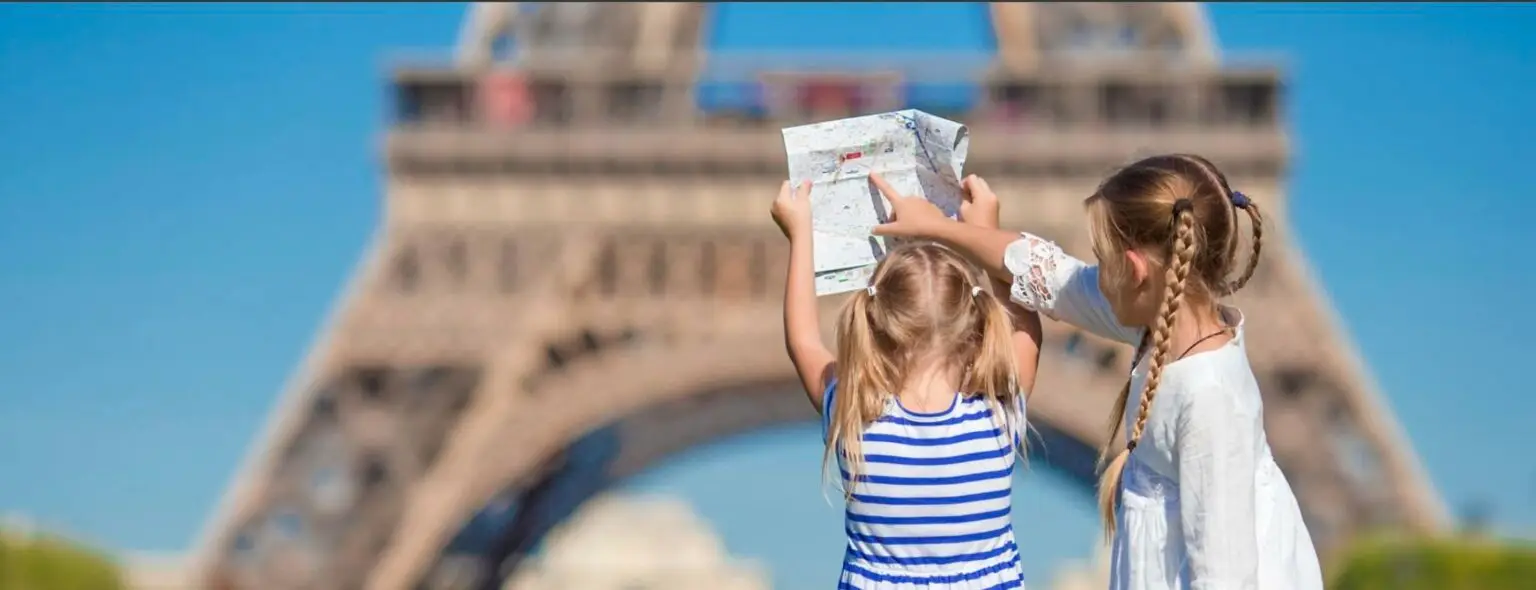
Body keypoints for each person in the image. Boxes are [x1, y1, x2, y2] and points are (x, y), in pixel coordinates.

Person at [868, 155, 1324, 590]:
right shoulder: (1159, 318)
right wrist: (941, 228)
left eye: (1101, 263)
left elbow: (1225, 578)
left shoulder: (1212, 396)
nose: (1095, 276)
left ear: (1134, 270)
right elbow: (1049, 275)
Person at [771, 179, 1044, 589]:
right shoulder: (996, 415)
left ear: (875, 327)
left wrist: (801, 232)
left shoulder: (855, 416)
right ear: (975, 328)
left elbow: (803, 342)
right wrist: (985, 230)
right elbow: (1026, 332)